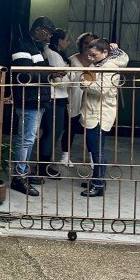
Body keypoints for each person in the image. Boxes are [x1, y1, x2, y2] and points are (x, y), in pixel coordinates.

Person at [9, 16, 57, 196]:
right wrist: (51, 73)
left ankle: (24, 173)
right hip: (28, 99)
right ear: (38, 30)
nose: (50, 37)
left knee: (30, 138)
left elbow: (37, 70)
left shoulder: (36, 47)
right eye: (49, 33)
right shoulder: (22, 45)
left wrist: (49, 71)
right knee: (26, 139)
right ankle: (19, 178)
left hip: (37, 100)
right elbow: (25, 73)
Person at [79, 38, 128, 197]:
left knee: (97, 150)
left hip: (99, 113)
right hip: (93, 110)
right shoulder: (100, 64)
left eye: (94, 55)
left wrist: (84, 83)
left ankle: (98, 184)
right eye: (89, 55)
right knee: (94, 149)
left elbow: (102, 89)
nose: (91, 58)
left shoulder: (109, 66)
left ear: (105, 52)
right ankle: (96, 180)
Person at [60, 32, 98, 168]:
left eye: (92, 43)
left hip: (90, 101)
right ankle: (65, 156)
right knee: (70, 128)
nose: (89, 46)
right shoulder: (72, 60)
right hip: (73, 99)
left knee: (91, 129)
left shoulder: (97, 64)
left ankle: (94, 158)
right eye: (86, 43)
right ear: (81, 45)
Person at [38, 28, 71, 178]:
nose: (68, 43)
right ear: (59, 41)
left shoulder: (53, 53)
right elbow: (60, 80)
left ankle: (44, 164)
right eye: (66, 40)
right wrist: (70, 79)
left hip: (58, 97)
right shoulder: (53, 55)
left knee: (52, 132)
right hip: (55, 97)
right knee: (53, 132)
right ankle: (42, 166)